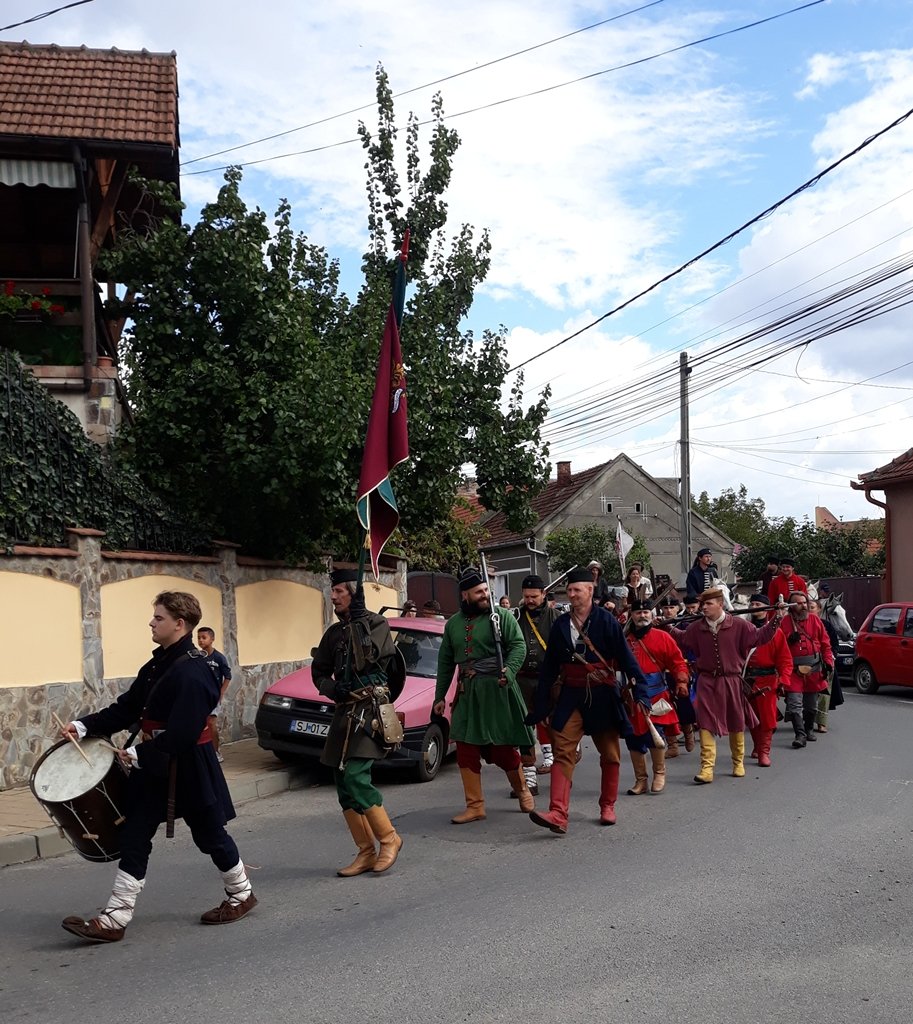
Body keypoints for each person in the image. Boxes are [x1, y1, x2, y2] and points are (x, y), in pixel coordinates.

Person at [60, 591, 256, 944]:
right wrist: (84, 726)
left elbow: (182, 734)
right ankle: (115, 917)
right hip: (155, 765)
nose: (151, 622)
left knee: (210, 835)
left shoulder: (196, 672)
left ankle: (241, 893)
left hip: (190, 766)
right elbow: (128, 708)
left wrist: (137, 755)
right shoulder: (157, 665)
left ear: (179, 624)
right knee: (135, 834)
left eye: (158, 618)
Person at [526, 568, 649, 834]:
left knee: (611, 754)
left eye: (576, 590)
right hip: (571, 695)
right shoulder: (560, 625)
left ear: (590, 591)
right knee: (563, 751)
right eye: (569, 591)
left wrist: (641, 691)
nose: (571, 595)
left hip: (603, 695)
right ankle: (558, 813)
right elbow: (549, 669)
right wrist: (541, 706)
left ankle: (608, 805)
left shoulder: (607, 621)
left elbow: (627, 660)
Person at [311, 568, 402, 876]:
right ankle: (365, 852)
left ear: (354, 593)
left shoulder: (376, 624)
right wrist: (328, 687)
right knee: (343, 785)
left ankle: (389, 839)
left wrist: (360, 621)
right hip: (344, 711)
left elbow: (369, 659)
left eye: (339, 591)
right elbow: (319, 669)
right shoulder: (333, 633)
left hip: (369, 711)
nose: (333, 596)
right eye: (332, 590)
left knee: (355, 777)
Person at [432, 567, 535, 823]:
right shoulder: (453, 624)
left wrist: (509, 671)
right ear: (465, 594)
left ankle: (522, 789)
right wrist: (439, 696)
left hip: (496, 690)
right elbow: (446, 662)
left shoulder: (501, 616)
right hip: (467, 694)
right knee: (466, 749)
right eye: (479, 591)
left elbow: (519, 646)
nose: (485, 595)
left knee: (501, 749)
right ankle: (475, 806)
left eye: (486, 590)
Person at [669, 589, 786, 784]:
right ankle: (707, 768)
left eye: (708, 604)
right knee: (705, 721)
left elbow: (760, 637)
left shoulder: (739, 625)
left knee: (735, 721)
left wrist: (777, 619)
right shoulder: (696, 628)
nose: (703, 607)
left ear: (720, 604)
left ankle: (737, 762)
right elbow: (682, 639)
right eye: (702, 604)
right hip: (706, 680)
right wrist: (667, 629)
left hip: (731, 680)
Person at [624, 600, 689, 794]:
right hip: (632, 695)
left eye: (645, 612)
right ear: (632, 616)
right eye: (638, 612)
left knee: (655, 735)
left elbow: (678, 662)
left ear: (652, 615)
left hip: (656, 694)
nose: (642, 616)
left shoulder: (663, 637)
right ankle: (641, 780)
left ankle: (659, 773)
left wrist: (682, 681)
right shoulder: (624, 639)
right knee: (633, 738)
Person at [515, 574, 561, 790]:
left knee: (555, 725)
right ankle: (529, 778)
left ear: (543, 594)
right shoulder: (514, 617)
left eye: (534, 596)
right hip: (522, 681)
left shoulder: (556, 617)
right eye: (527, 596)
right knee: (524, 728)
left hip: (549, 680)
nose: (530, 600)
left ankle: (560, 772)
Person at [778, 591, 833, 749]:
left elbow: (825, 644)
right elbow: (777, 647)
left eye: (805, 602)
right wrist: (788, 640)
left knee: (811, 706)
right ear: (791, 606)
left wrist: (828, 662)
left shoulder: (815, 620)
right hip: (793, 671)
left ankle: (808, 729)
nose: (803, 606)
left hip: (813, 670)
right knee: (794, 704)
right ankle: (800, 735)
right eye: (799, 603)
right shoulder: (784, 622)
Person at [743, 594, 792, 767]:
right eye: (752, 603)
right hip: (746, 679)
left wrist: (783, 681)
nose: (755, 607)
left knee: (767, 718)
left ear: (766, 608)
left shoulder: (776, 633)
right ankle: (757, 746)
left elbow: (785, 660)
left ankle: (764, 751)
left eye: (758, 604)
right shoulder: (742, 631)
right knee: (752, 718)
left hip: (768, 680)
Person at [197, 626, 231, 763]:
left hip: (214, 697)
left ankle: (216, 752)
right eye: (198, 637)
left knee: (211, 722)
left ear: (212, 639)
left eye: (203, 637)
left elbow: (228, 677)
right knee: (201, 724)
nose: (200, 640)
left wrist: (221, 693)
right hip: (200, 696)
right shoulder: (197, 657)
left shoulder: (219, 658)